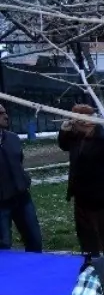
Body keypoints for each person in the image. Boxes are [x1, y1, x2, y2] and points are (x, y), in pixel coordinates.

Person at [58, 104, 104, 256]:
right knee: (86, 236)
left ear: (86, 121)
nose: (72, 123)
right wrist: (64, 129)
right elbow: (64, 145)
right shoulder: (76, 136)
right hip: (82, 197)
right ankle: (89, 261)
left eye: (75, 120)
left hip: (103, 199)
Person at [0, 103, 41, 252]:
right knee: (4, 245)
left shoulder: (13, 138)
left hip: (21, 197)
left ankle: (37, 271)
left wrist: (24, 181)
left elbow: (19, 162)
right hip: (1, 203)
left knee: (34, 239)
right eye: (0, 113)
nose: (6, 116)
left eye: (5, 112)